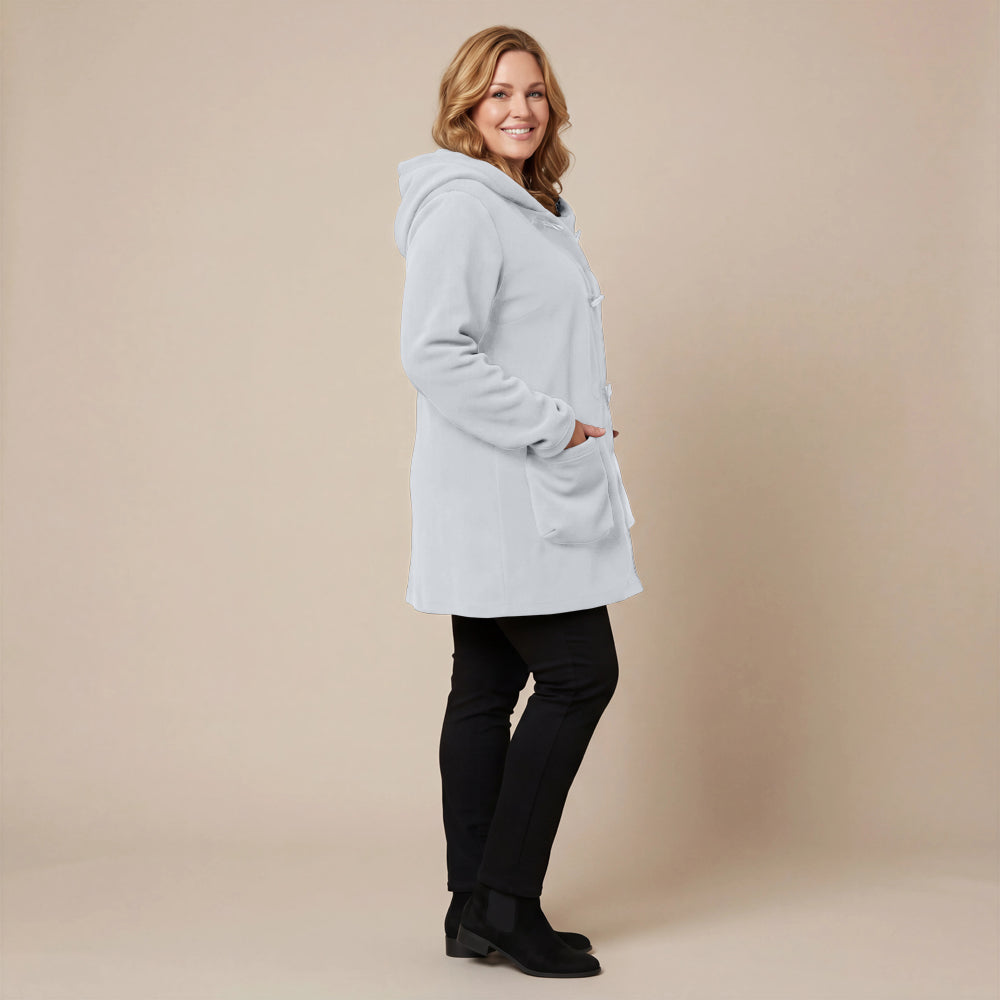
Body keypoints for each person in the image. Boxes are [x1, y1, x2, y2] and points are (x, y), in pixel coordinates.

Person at [394, 25, 643, 979]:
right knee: (580, 675)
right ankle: (506, 899)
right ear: (466, 106)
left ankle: (472, 910)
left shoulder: (529, 207)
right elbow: (434, 352)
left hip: (512, 489)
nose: (520, 109)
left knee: (487, 688)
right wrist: (556, 426)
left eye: (534, 92)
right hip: (508, 490)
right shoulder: (466, 206)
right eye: (498, 93)